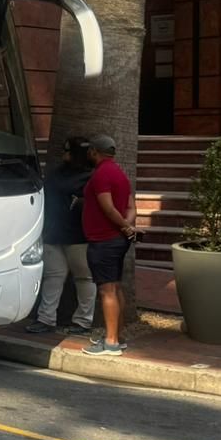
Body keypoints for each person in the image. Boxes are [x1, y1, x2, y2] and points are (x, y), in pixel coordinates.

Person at [27, 137, 95, 335]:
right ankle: (46, 319)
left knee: (84, 278)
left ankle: (83, 321)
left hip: (78, 236)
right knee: (53, 277)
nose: (64, 155)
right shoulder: (59, 173)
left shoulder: (90, 176)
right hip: (54, 233)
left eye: (68, 151)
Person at [81, 134, 136, 356]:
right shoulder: (120, 174)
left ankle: (111, 341)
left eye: (89, 150)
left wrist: (123, 226)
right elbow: (132, 206)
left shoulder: (101, 175)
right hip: (117, 240)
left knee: (106, 290)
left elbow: (108, 207)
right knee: (115, 287)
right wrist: (127, 227)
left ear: (94, 151)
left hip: (103, 241)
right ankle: (117, 337)